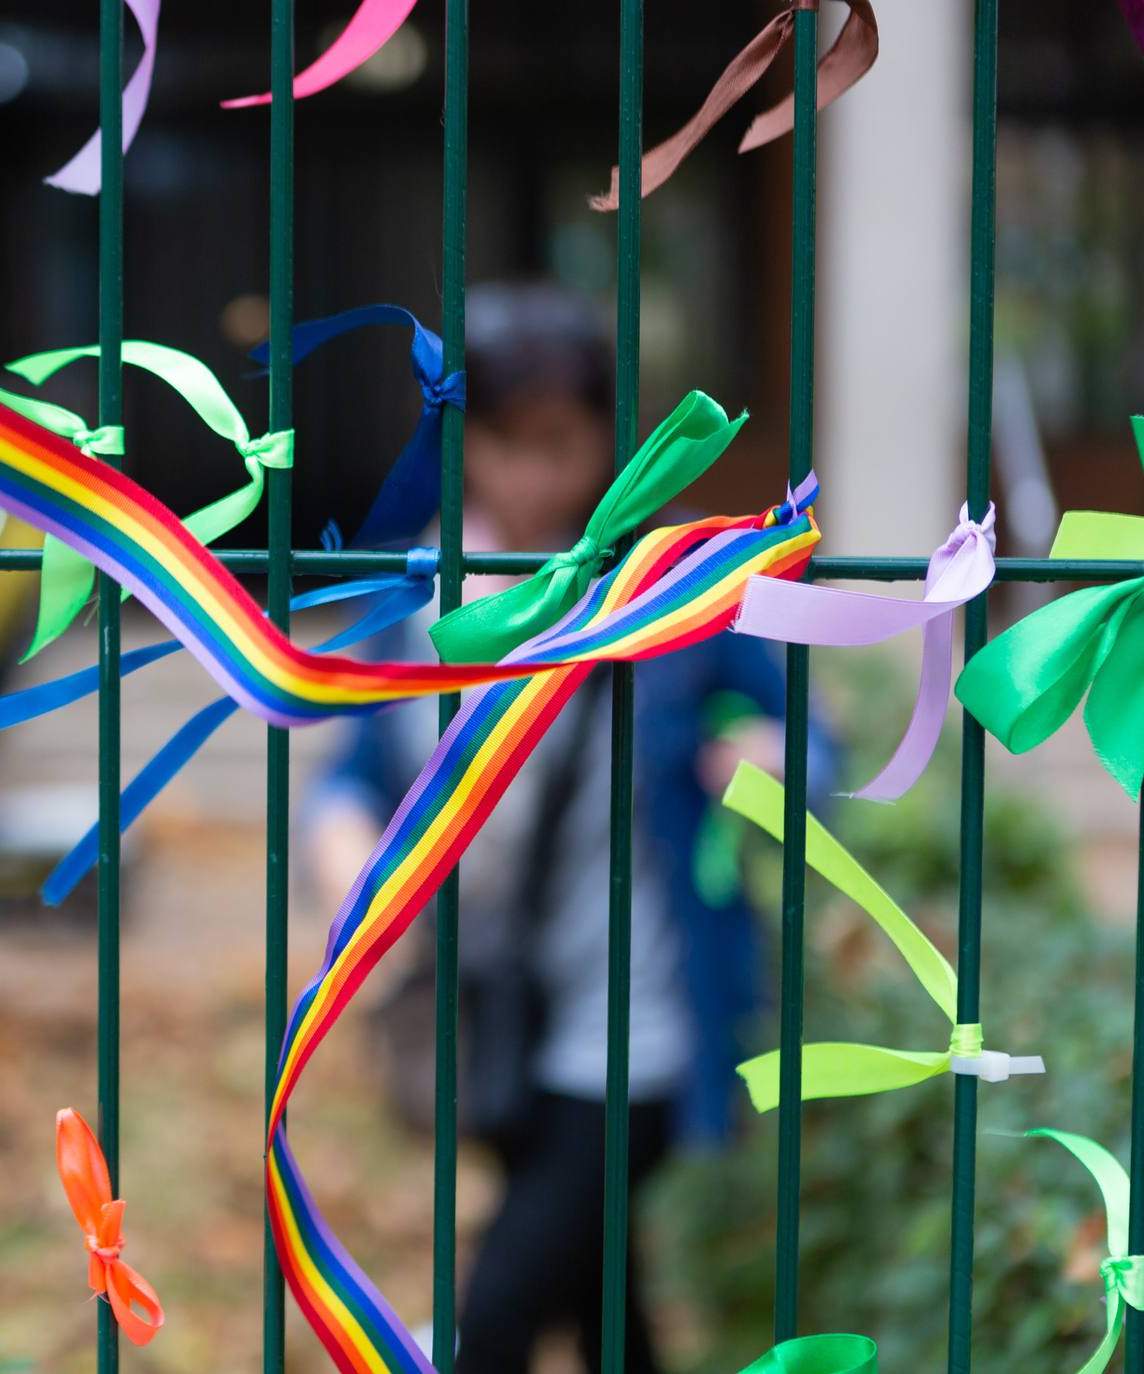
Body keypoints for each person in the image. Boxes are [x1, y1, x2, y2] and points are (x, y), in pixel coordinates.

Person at [301, 285, 834, 1374]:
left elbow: (812, 746)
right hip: (490, 1015)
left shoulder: (668, 591)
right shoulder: (422, 586)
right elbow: (350, 776)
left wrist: (771, 766)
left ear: (603, 438)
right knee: (603, 1304)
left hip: (636, 1025)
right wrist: (348, 861)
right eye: (504, 442)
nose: (532, 473)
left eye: (560, 442)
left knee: (492, 1318)